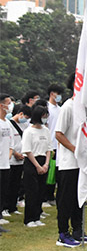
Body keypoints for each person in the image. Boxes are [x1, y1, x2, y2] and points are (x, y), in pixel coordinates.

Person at [55, 74, 87, 246]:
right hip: (68, 164)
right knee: (66, 200)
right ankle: (63, 234)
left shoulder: (86, 109)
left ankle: (78, 230)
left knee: (79, 198)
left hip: (82, 164)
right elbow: (59, 133)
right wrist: (75, 150)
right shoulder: (68, 107)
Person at [21, 105, 52, 227]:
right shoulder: (29, 131)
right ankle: (29, 219)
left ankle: (37, 215)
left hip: (43, 161)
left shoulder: (46, 130)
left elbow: (49, 148)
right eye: (43, 116)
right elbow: (28, 150)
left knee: (40, 191)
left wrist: (46, 164)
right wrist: (38, 166)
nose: (45, 118)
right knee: (32, 192)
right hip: (32, 161)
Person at [4, 105, 31, 217]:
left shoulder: (24, 125)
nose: (25, 118)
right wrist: (15, 153)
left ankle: (12, 206)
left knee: (16, 184)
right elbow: (9, 142)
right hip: (11, 159)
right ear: (20, 114)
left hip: (21, 159)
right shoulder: (8, 124)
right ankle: (4, 207)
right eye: (25, 116)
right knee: (8, 185)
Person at [44, 84, 63, 207]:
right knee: (48, 172)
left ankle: (53, 196)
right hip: (49, 144)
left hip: (59, 145)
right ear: (52, 94)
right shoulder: (46, 108)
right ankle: (46, 196)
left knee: (56, 172)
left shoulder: (60, 109)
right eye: (58, 94)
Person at [0, 94, 14, 232]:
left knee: (3, 191)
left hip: (5, 164)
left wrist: (8, 156)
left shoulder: (7, 123)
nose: (10, 106)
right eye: (8, 103)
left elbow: (11, 143)